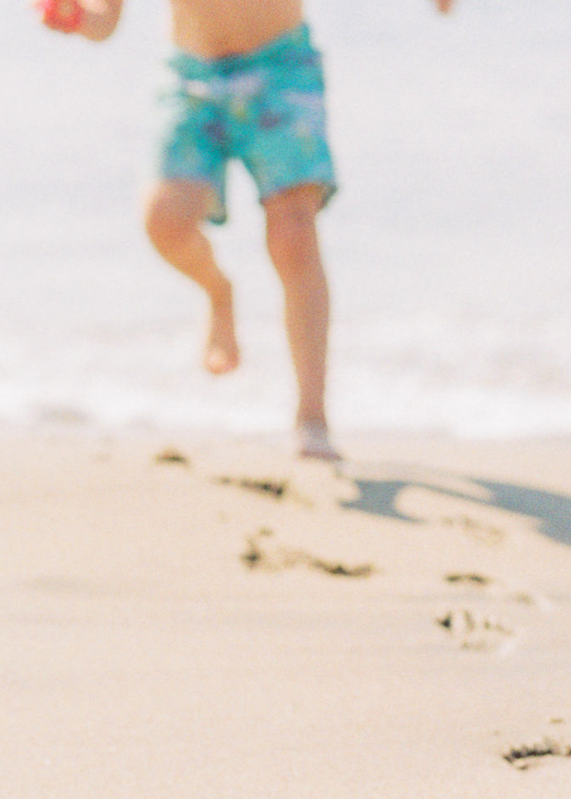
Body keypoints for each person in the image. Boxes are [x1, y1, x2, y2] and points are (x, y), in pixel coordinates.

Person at [42, 0, 454, 460]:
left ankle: (312, 417)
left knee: (294, 234)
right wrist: (73, 17)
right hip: (191, 78)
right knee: (164, 221)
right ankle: (219, 293)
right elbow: (106, 21)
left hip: (282, 69)